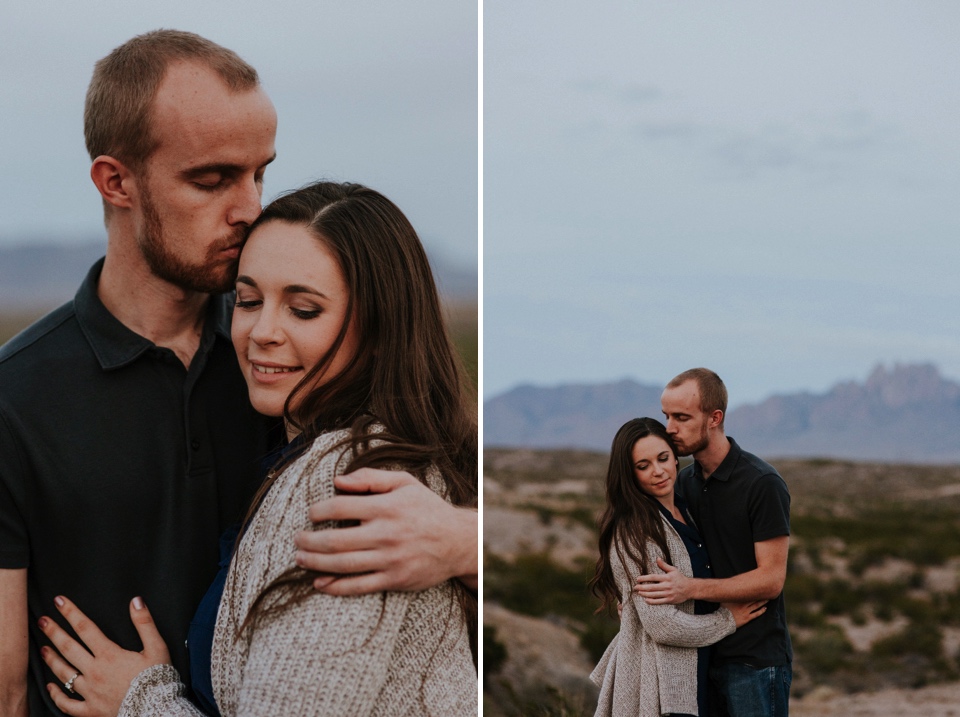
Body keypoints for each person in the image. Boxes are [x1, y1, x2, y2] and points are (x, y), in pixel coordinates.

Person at [0, 30, 476, 717]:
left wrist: (464, 538)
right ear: (116, 181)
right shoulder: (16, 399)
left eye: (259, 172)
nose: (250, 207)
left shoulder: (290, 368)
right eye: (213, 178)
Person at [634, 368, 792, 717]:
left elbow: (771, 580)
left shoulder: (761, 483)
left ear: (714, 418)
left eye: (682, 417)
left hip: (753, 660)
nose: (670, 428)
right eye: (666, 416)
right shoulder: (682, 483)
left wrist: (689, 588)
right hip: (698, 657)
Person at [589, 417, 766, 717]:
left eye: (663, 458)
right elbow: (662, 625)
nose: (658, 471)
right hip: (664, 688)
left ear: (675, 457)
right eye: (642, 466)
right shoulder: (636, 530)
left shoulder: (685, 509)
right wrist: (728, 620)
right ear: (628, 474)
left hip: (702, 673)